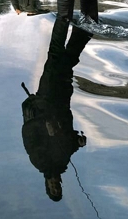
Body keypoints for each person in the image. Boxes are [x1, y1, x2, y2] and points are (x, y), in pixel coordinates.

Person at [20, 17, 91, 202]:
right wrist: (78, 142)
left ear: (47, 185)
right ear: (60, 184)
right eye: (57, 188)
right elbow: (69, 143)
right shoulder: (63, 162)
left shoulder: (39, 161)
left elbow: (27, 131)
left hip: (45, 99)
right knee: (68, 62)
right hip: (63, 100)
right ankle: (85, 27)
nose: (55, 185)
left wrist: (45, 125)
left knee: (55, 57)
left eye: (52, 188)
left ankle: (65, 20)